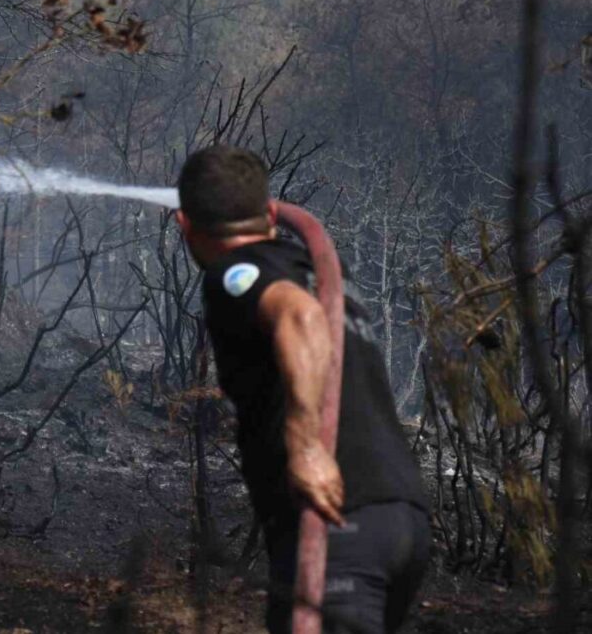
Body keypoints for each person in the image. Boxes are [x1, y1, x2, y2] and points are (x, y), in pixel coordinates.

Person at [176, 145, 430, 633]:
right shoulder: (313, 269)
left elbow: (300, 317)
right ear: (270, 214)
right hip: (401, 518)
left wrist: (306, 445)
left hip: (338, 523)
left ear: (186, 225)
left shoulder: (234, 272)